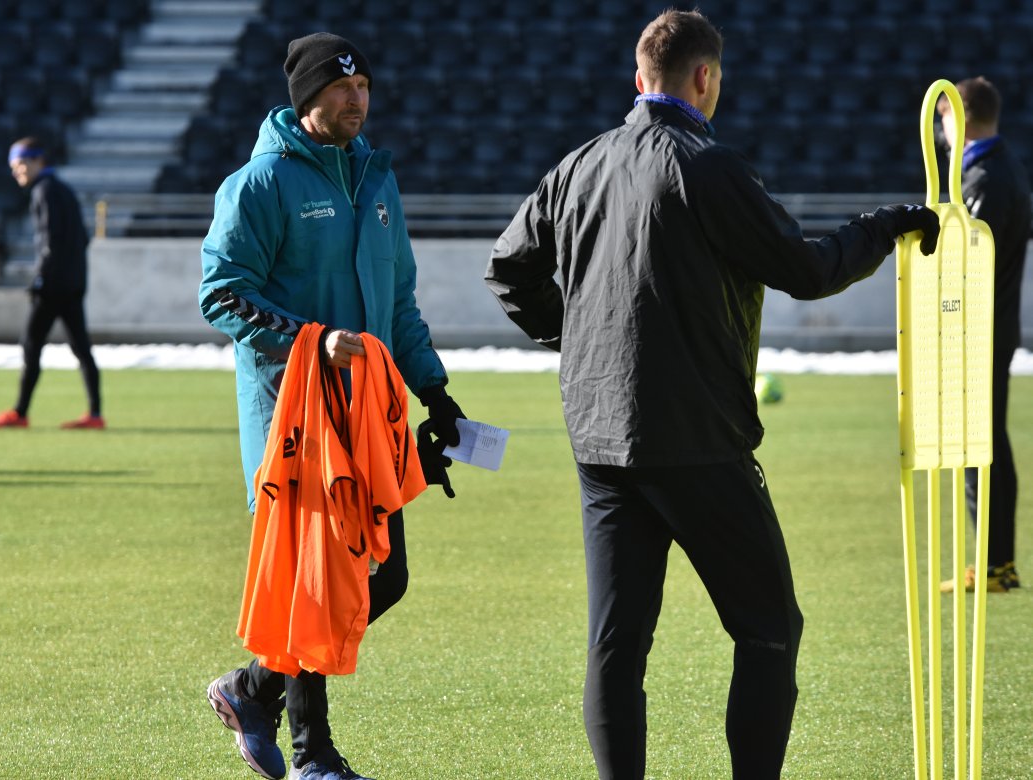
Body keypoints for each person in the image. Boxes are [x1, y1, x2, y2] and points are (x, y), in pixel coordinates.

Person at [484, 10, 940, 779]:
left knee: (616, 646)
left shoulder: (579, 164)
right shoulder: (708, 167)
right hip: (696, 439)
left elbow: (507, 268)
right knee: (768, 629)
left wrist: (578, 338)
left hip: (600, 440)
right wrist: (886, 226)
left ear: (639, 79)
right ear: (706, 78)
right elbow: (808, 271)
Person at [198, 32, 465, 780]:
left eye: (364, 87)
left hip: (368, 418)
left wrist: (435, 392)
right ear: (307, 98)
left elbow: (399, 303)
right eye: (341, 88)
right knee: (318, 578)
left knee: (386, 577)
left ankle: (253, 688)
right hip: (294, 419)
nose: (357, 99)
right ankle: (313, 758)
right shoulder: (260, 183)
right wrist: (312, 343)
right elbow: (222, 295)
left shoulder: (377, 180)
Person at [937, 77, 1030, 594]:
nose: (941, 133)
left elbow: (965, 261)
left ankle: (994, 564)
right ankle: (999, 562)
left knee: (980, 443)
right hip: (994, 323)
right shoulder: (1002, 168)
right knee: (987, 439)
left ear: (960, 116)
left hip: (981, 327)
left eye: (944, 120)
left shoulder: (986, 177)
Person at [0, 137, 104, 430]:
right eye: (13, 166)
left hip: (53, 285)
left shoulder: (43, 191)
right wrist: (73, 275)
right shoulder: (63, 189)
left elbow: (50, 240)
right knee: (81, 348)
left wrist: (41, 278)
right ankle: (95, 415)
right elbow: (81, 239)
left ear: (38, 160)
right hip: (73, 281)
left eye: (20, 164)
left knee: (31, 344)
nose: (16, 171)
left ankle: (20, 413)